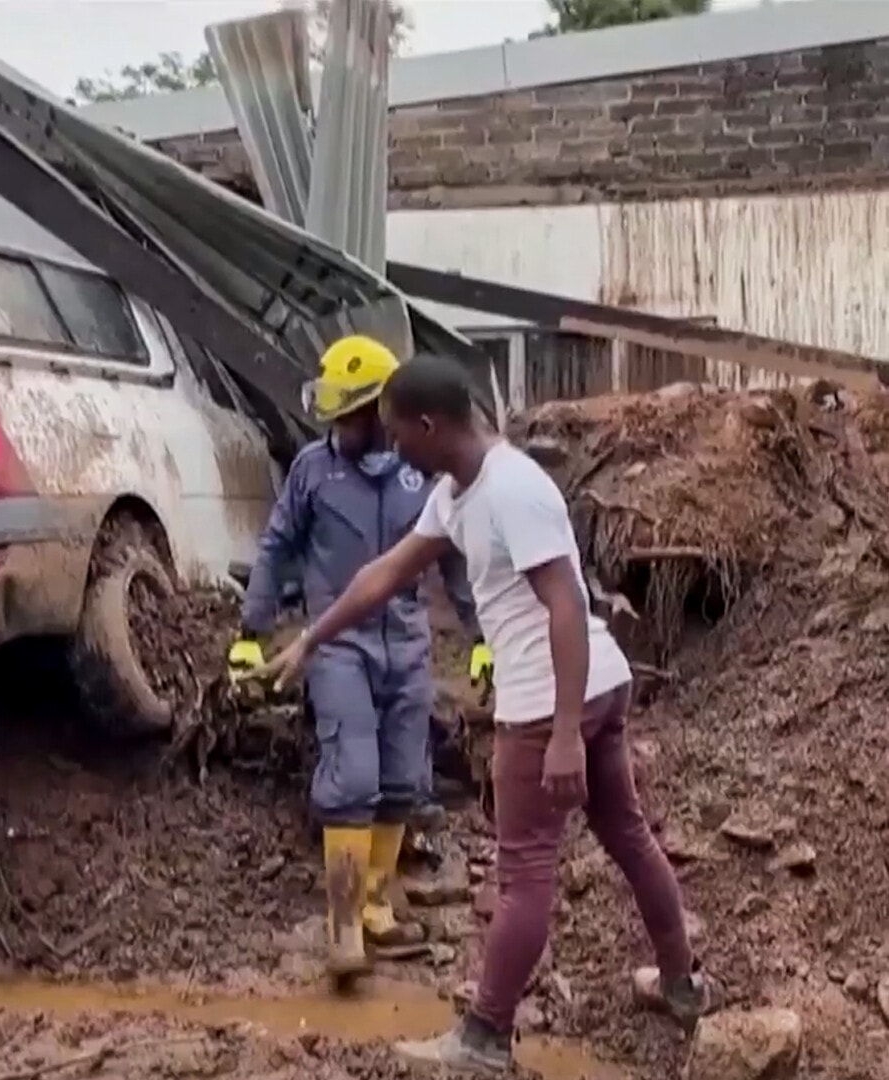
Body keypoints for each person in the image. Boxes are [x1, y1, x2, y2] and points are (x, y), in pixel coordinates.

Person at [254, 355, 722, 1072]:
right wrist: (311, 639)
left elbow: (565, 604)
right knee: (626, 834)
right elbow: (386, 572)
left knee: (525, 870)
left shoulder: (510, 490)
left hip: (550, 699)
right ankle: (679, 985)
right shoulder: (457, 492)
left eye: (395, 432)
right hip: (590, 684)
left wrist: (562, 733)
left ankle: (483, 1036)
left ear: (428, 424)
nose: (391, 448)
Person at [227, 335, 485, 982]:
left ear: (378, 411)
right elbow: (275, 547)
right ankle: (342, 923)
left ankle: (375, 904)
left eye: (349, 415)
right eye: (333, 416)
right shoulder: (312, 471)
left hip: (406, 645)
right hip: (337, 644)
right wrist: (250, 631)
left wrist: (483, 638)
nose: (338, 427)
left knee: (401, 779)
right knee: (352, 777)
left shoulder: (418, 474)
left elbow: (454, 560)